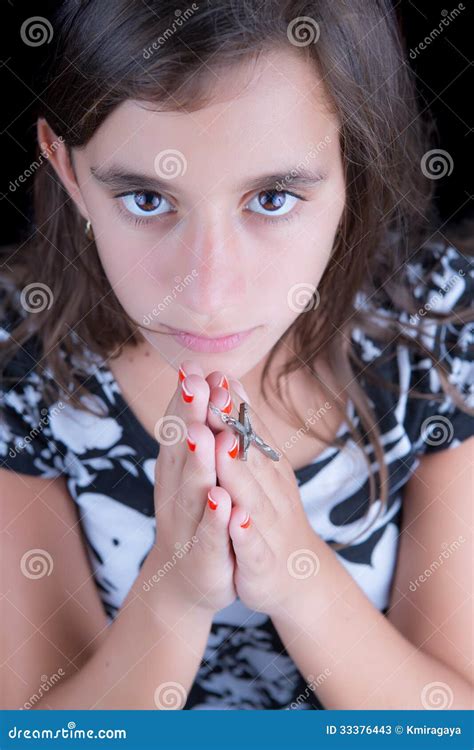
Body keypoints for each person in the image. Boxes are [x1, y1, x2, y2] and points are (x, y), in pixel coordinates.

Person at [1, 0, 473, 710]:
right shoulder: (20, 357)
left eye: (275, 198)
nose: (209, 293)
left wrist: (297, 575)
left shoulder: (440, 330)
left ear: (353, 164)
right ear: (67, 169)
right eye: (147, 199)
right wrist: (177, 595)